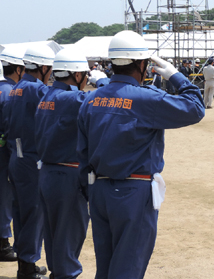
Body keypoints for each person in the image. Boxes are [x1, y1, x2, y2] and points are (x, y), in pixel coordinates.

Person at [77, 30, 204, 278]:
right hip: (133, 193)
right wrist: (177, 76)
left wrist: (89, 190)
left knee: (106, 266)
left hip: (99, 191)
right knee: (128, 267)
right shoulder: (146, 99)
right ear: (142, 65)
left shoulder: (91, 100)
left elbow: (82, 152)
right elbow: (195, 108)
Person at [34, 48, 108, 279]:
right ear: (77, 76)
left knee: (53, 232)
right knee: (69, 233)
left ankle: (58, 273)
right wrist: (103, 80)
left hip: (47, 172)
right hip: (67, 175)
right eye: (85, 76)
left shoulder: (45, 95)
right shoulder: (73, 98)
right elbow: (107, 97)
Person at [3, 45, 55, 278]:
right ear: (43, 68)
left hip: (17, 155)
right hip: (32, 159)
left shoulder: (16, 88)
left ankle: (25, 262)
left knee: (21, 211)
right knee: (34, 213)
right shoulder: (37, 90)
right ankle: (28, 265)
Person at [0, 47, 25, 263]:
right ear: (18, 70)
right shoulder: (11, 93)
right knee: (5, 198)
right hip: (5, 153)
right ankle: (3, 242)